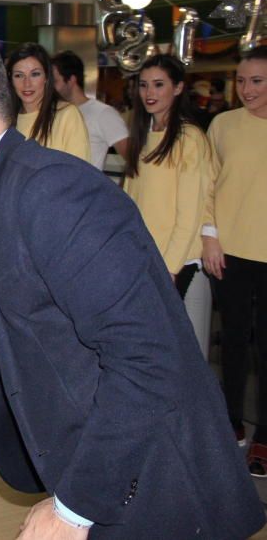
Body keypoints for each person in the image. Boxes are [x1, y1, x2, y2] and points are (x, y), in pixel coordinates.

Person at [0, 28, 262, 539]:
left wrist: (73, 509)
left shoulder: (58, 195)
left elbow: (148, 358)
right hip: (96, 463)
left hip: (159, 480)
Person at [202, 46, 267, 471]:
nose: (246, 89)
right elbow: (205, 187)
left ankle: (264, 439)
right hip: (231, 253)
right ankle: (231, 424)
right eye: (240, 81)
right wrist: (209, 236)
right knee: (234, 347)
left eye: (256, 81)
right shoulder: (223, 125)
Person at [122, 55, 212, 359]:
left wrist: (170, 268)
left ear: (177, 88)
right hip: (143, 257)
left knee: (169, 349)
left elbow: (190, 213)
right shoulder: (144, 134)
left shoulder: (190, 139)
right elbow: (131, 203)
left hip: (173, 262)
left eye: (159, 85)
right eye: (144, 85)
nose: (150, 92)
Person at [7, 43, 90, 162]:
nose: (27, 83)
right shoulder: (5, 120)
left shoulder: (66, 115)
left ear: (46, 77)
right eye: (19, 75)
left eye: (35, 74)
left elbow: (79, 174)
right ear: (10, 79)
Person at [51, 50, 128, 170]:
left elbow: (131, 156)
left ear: (71, 80)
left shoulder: (103, 113)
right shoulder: (55, 113)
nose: (50, 88)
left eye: (55, 81)